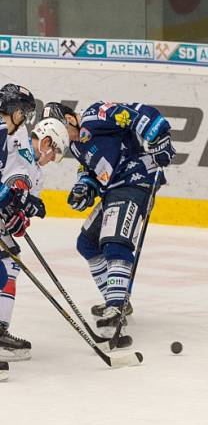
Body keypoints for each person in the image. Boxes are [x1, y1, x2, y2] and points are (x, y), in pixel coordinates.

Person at [40, 101, 175, 341]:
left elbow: (135, 113)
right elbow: (93, 169)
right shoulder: (76, 144)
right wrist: (85, 187)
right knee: (87, 243)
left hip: (135, 181)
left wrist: (159, 136)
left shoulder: (95, 115)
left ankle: (115, 307)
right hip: (114, 190)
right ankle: (119, 298)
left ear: (70, 119)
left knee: (115, 242)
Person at [0, 84, 49, 361]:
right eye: (26, 113)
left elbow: (12, 178)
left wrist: (15, 205)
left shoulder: (11, 133)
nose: (26, 118)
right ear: (17, 111)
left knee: (6, 263)